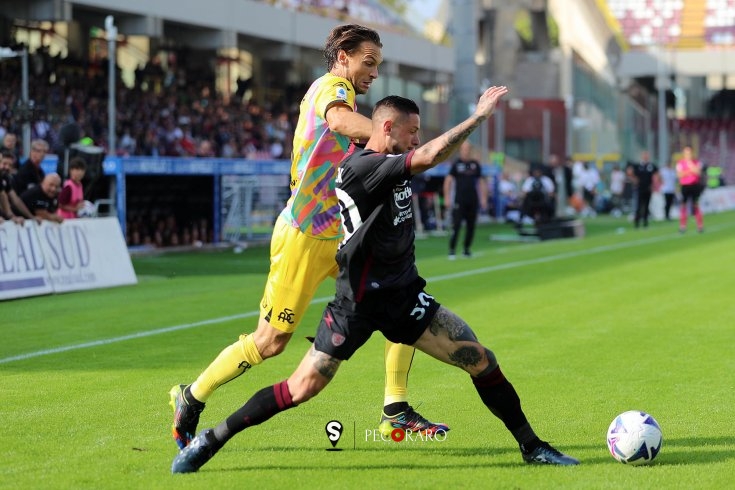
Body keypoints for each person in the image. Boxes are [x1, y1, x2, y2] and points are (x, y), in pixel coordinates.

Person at [171, 89, 580, 474]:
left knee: (481, 360)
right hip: (358, 304)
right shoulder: (363, 168)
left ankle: (532, 447)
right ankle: (210, 439)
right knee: (301, 388)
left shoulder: (384, 159)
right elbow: (428, 156)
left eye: (418, 131)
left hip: (404, 298)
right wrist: (477, 117)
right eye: (412, 130)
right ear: (388, 129)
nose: (416, 138)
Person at [169, 24, 447, 453]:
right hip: (303, 235)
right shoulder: (330, 88)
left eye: (378, 64)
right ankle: (192, 396)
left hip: (344, 236)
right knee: (270, 342)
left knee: (397, 299)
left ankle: (396, 407)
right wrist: (385, 140)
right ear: (342, 57)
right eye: (367, 61)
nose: (373, 72)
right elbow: (338, 119)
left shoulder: (356, 102)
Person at [443, 141, 487, 259]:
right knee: (456, 225)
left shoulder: (475, 164)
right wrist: (447, 198)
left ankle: (466, 249)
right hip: (459, 200)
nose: (466, 151)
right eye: (464, 149)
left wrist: (483, 198)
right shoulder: (456, 164)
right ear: (461, 150)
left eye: (468, 149)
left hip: (473, 200)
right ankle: (452, 250)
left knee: (471, 226)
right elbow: (448, 181)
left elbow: (481, 182)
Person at [0, 150, 37, 223]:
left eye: (10, 165)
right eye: (4, 164)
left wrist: (31, 217)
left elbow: (15, 199)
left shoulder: (5, 178)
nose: (7, 167)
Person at [675, 146, 704, 233]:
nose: (688, 155)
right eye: (686, 153)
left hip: (695, 186)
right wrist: (690, 171)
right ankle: (683, 226)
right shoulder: (680, 163)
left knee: (696, 205)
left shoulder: (696, 162)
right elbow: (680, 175)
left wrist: (690, 165)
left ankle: (700, 225)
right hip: (685, 186)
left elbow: (698, 172)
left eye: (689, 153)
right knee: (683, 205)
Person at [628, 150, 658, 228]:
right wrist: (634, 180)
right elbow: (630, 172)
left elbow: (656, 175)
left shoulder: (651, 166)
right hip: (640, 188)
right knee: (638, 205)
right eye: (644, 155)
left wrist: (655, 185)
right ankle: (637, 222)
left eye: (647, 155)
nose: (645, 157)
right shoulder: (638, 166)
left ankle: (645, 222)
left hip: (648, 188)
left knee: (647, 205)